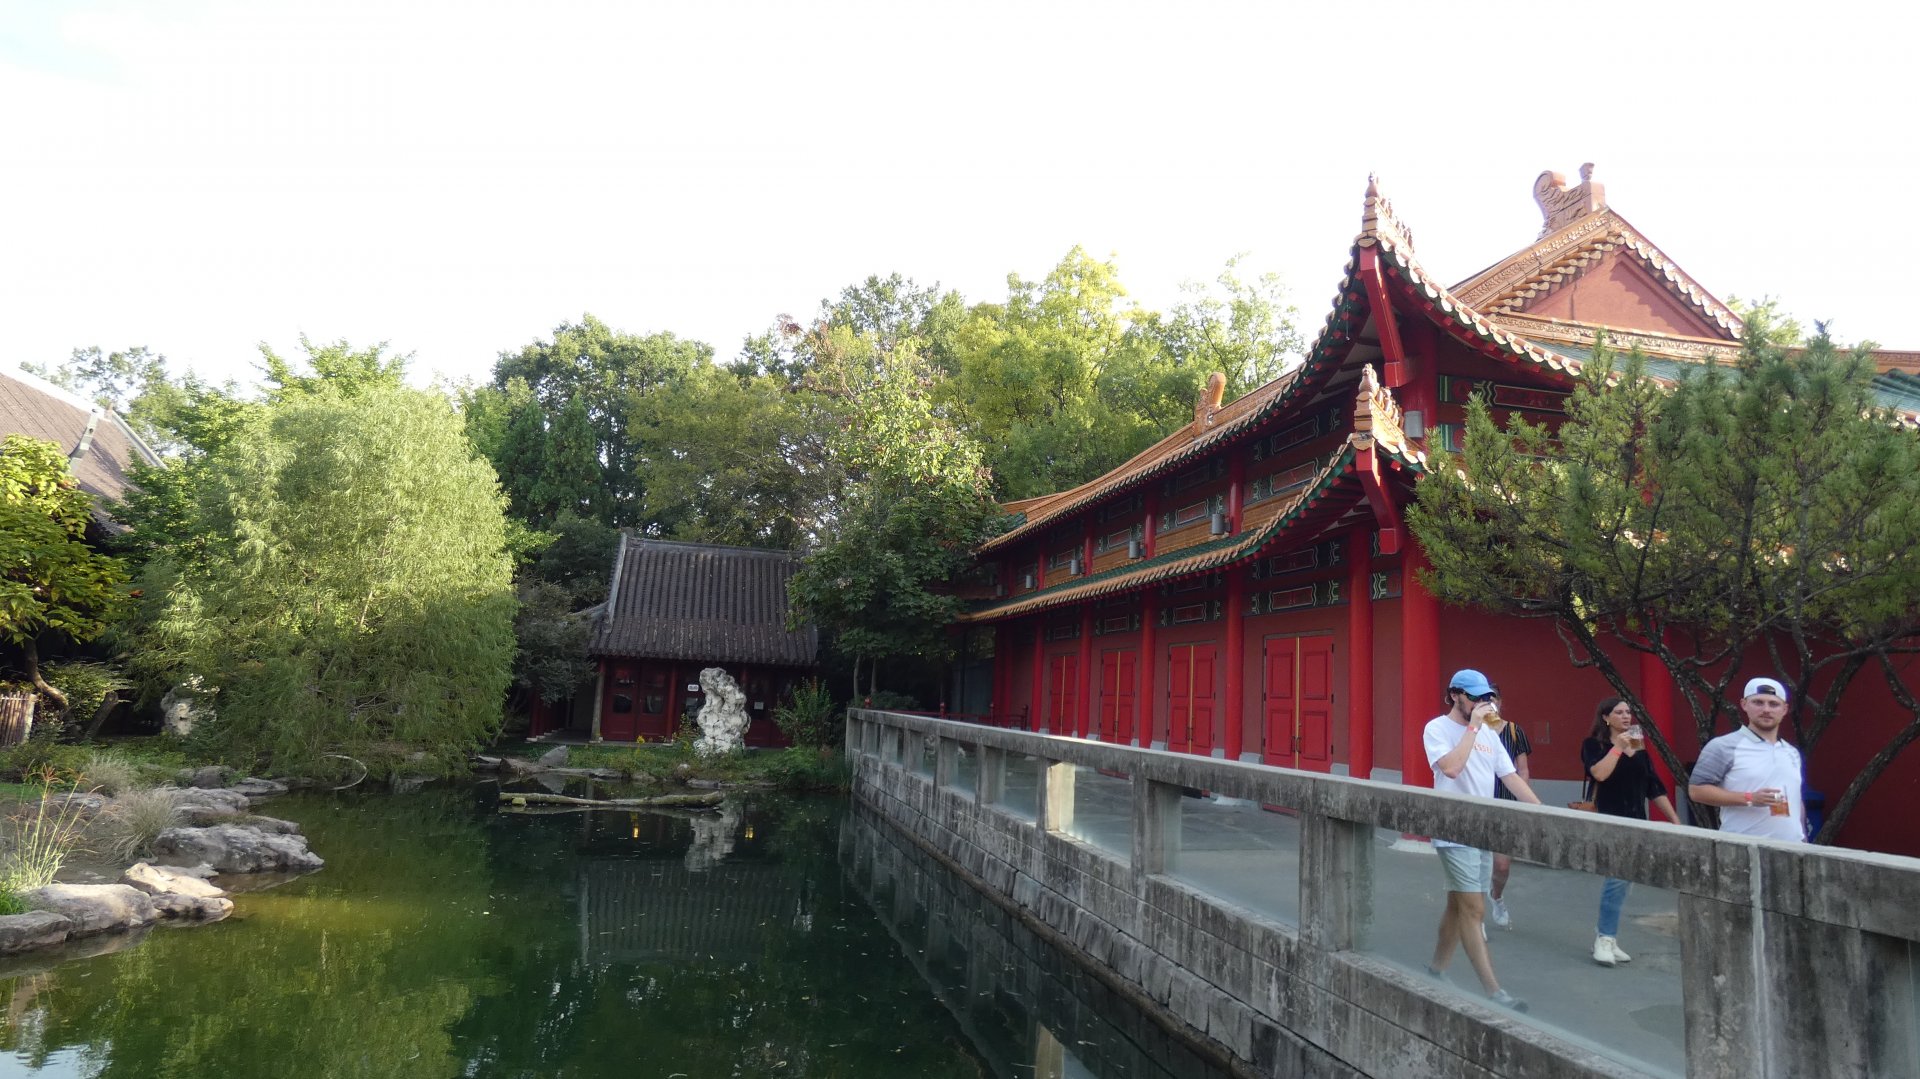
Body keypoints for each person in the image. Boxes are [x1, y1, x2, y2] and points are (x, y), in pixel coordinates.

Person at [1424, 668, 1543, 1012]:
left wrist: (1544, 813)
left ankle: (1436, 970)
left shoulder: (1492, 733)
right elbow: (1451, 768)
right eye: (1475, 697)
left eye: (1486, 697)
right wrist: (1474, 727)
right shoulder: (1437, 728)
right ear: (1454, 696)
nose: (1482, 703)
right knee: (1474, 909)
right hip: (1452, 830)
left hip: (1483, 830)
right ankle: (1494, 992)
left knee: (1457, 905)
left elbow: (1510, 777)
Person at [1580, 697, 1681, 966]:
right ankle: (1604, 937)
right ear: (1605, 717)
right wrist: (1618, 748)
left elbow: (1653, 786)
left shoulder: (1639, 748)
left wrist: (1674, 820)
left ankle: (1609, 938)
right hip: (1610, 822)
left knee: (1624, 881)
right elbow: (1599, 774)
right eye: (1619, 712)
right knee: (1616, 879)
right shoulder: (1594, 745)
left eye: (1629, 712)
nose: (1626, 717)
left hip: (1637, 821)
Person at [1687, 677, 1809, 842]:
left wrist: (1804, 840)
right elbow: (1696, 791)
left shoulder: (1791, 752)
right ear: (1744, 704)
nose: (1766, 709)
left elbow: (1795, 799)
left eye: (1774, 704)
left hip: (1793, 850)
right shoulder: (1722, 746)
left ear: (1785, 709)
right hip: (1741, 849)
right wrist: (1750, 798)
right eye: (1758, 702)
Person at [1482, 685, 1530, 930]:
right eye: (1484, 700)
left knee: (1501, 865)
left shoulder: (1513, 731)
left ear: (1500, 701)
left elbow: (1522, 769)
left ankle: (1497, 896)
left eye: (1493, 699)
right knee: (1476, 863)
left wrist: (1524, 800)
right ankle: (1474, 921)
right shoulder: (1474, 731)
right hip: (1479, 802)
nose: (1490, 704)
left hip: (1506, 801)